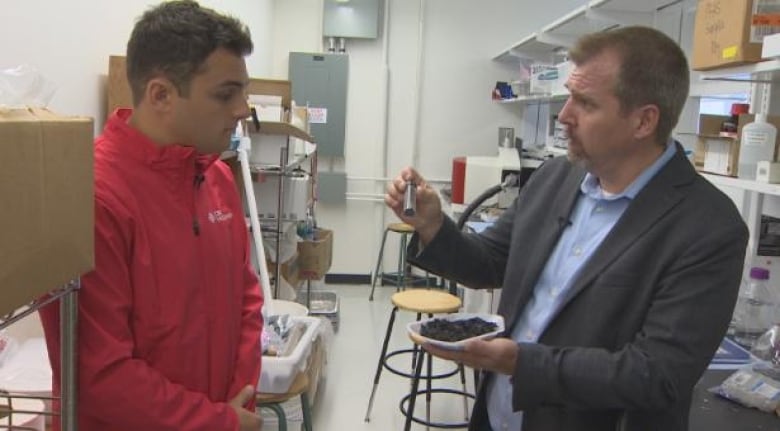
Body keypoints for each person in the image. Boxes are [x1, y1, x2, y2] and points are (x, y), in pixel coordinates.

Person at [386, 26, 748, 431]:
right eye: (568, 97)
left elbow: (656, 374)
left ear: (644, 121)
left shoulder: (707, 226)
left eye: (585, 103)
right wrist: (434, 224)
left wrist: (519, 362)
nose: (564, 116)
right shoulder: (556, 177)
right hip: (498, 417)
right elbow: (490, 262)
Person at [39, 2, 264, 430]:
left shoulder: (216, 178)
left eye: (243, 91)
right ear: (160, 94)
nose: (242, 109)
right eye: (225, 93)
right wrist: (218, 421)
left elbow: (247, 299)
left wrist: (238, 403)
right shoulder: (92, 197)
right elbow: (99, 375)